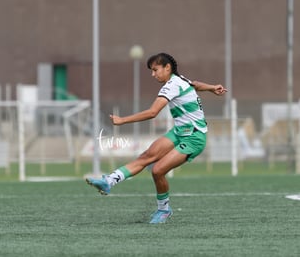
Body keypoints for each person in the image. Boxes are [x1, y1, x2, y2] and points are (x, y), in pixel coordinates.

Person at [86, 52, 227, 224]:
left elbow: (153, 113)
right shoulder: (179, 79)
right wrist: (212, 87)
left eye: (155, 70)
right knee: (146, 156)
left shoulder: (171, 86)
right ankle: (109, 181)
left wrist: (123, 120)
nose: (153, 75)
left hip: (194, 138)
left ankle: (164, 210)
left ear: (167, 67)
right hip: (180, 132)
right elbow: (195, 84)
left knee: (157, 170)